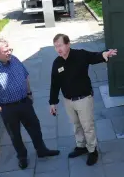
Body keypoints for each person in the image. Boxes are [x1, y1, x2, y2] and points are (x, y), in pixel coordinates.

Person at [0, 38, 60, 170]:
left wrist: (29, 93)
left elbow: (25, 76)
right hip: (7, 108)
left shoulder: (15, 59)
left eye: (9, 49)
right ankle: (22, 156)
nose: (9, 53)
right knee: (15, 134)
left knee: (35, 126)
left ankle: (41, 150)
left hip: (24, 102)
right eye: (5, 51)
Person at [49, 33, 117, 166]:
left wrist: (104, 55)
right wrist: (52, 102)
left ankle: (92, 151)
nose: (58, 49)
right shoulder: (57, 63)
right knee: (76, 125)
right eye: (56, 46)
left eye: (60, 45)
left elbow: (94, 57)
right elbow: (54, 83)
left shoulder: (80, 55)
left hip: (83, 99)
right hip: (68, 101)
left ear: (68, 44)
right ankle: (81, 146)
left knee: (88, 127)